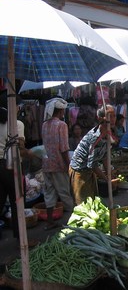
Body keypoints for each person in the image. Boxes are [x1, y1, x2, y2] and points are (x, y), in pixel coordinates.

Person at [69, 104, 117, 205]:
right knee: (83, 205)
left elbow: (105, 157)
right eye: (109, 116)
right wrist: (107, 180)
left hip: (89, 171)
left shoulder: (107, 133)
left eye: (114, 116)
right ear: (101, 119)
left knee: (93, 201)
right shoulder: (96, 137)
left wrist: (110, 174)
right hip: (79, 170)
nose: (113, 119)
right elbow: (93, 165)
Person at [0, 107, 33, 239]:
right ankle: (21, 239)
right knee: (18, 202)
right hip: (11, 166)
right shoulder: (17, 124)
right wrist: (33, 154)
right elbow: (21, 148)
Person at [42, 98, 74, 230]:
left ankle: (49, 222)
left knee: (49, 192)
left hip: (46, 163)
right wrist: (68, 165)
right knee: (65, 192)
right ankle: (73, 220)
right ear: (60, 111)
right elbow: (64, 148)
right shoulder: (62, 125)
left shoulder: (44, 124)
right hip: (59, 164)